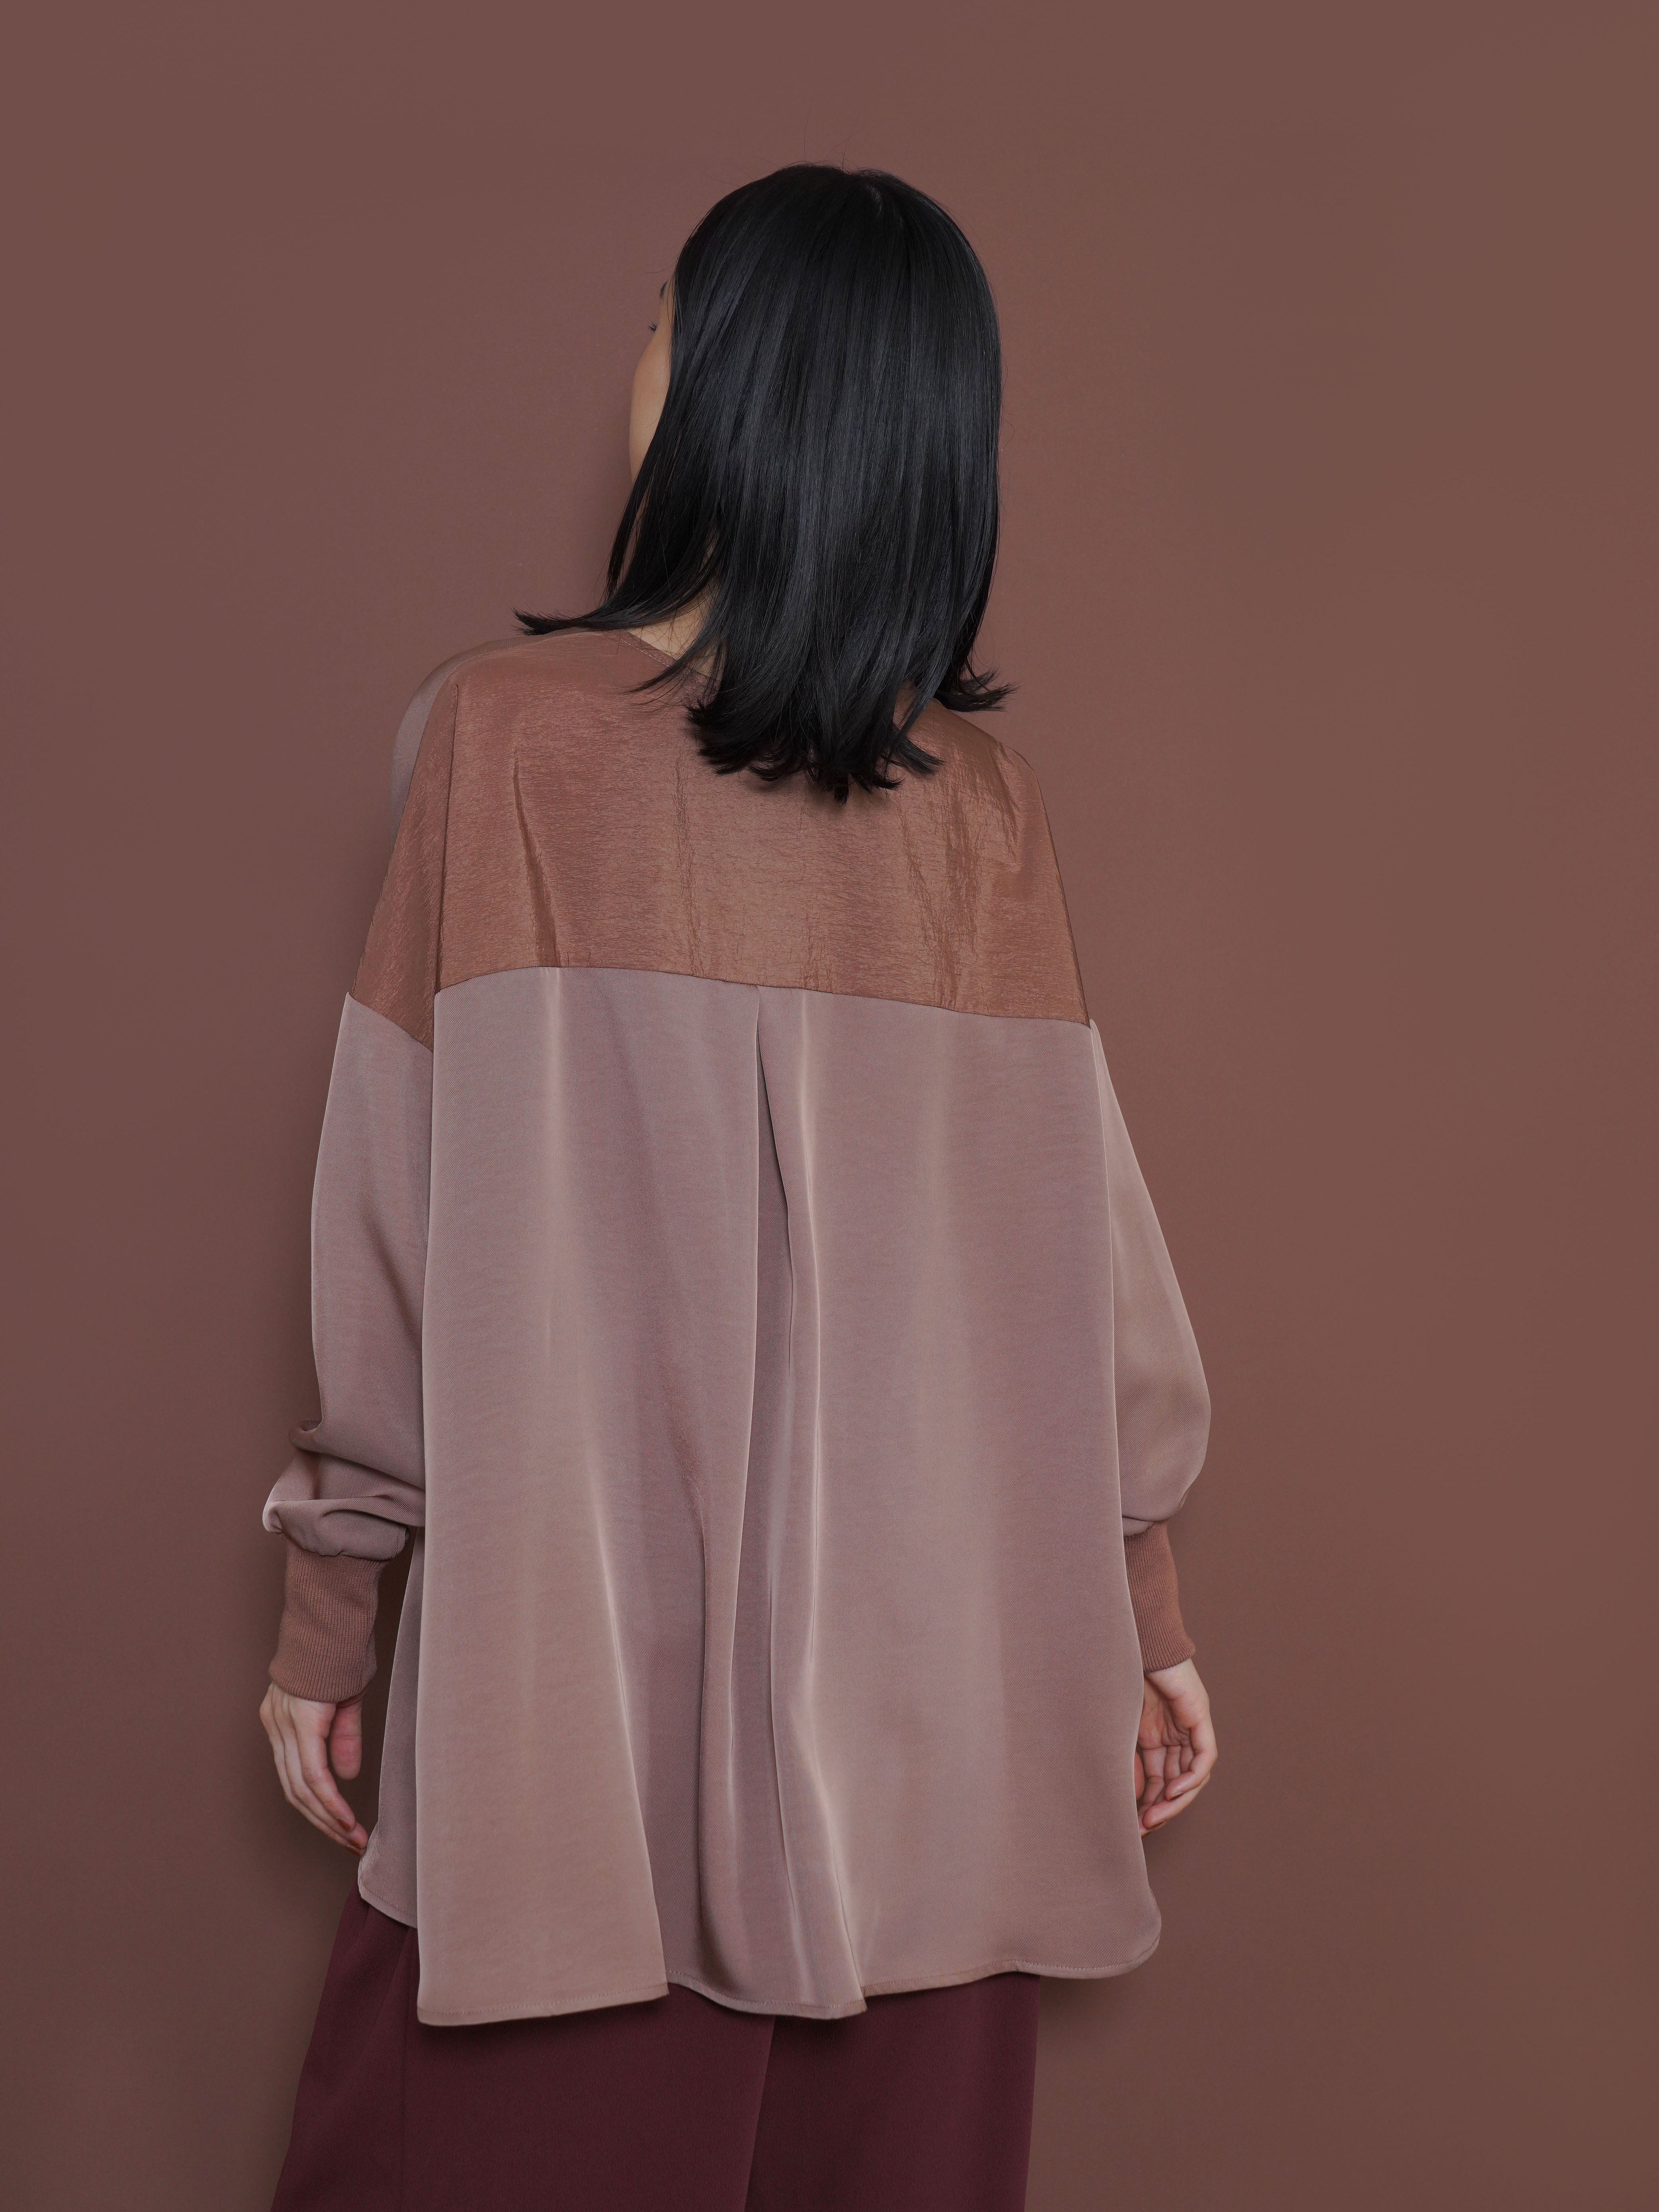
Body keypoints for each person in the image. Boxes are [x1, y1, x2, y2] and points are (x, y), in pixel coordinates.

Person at [258, 163, 1217, 2212]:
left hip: (575, 1718)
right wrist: (1135, 1606)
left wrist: (331, 1614)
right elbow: (1086, 1263)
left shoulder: (500, 743)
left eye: (662, 322)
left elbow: (395, 1221)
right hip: (934, 1733)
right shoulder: (985, 814)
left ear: (724, 385)